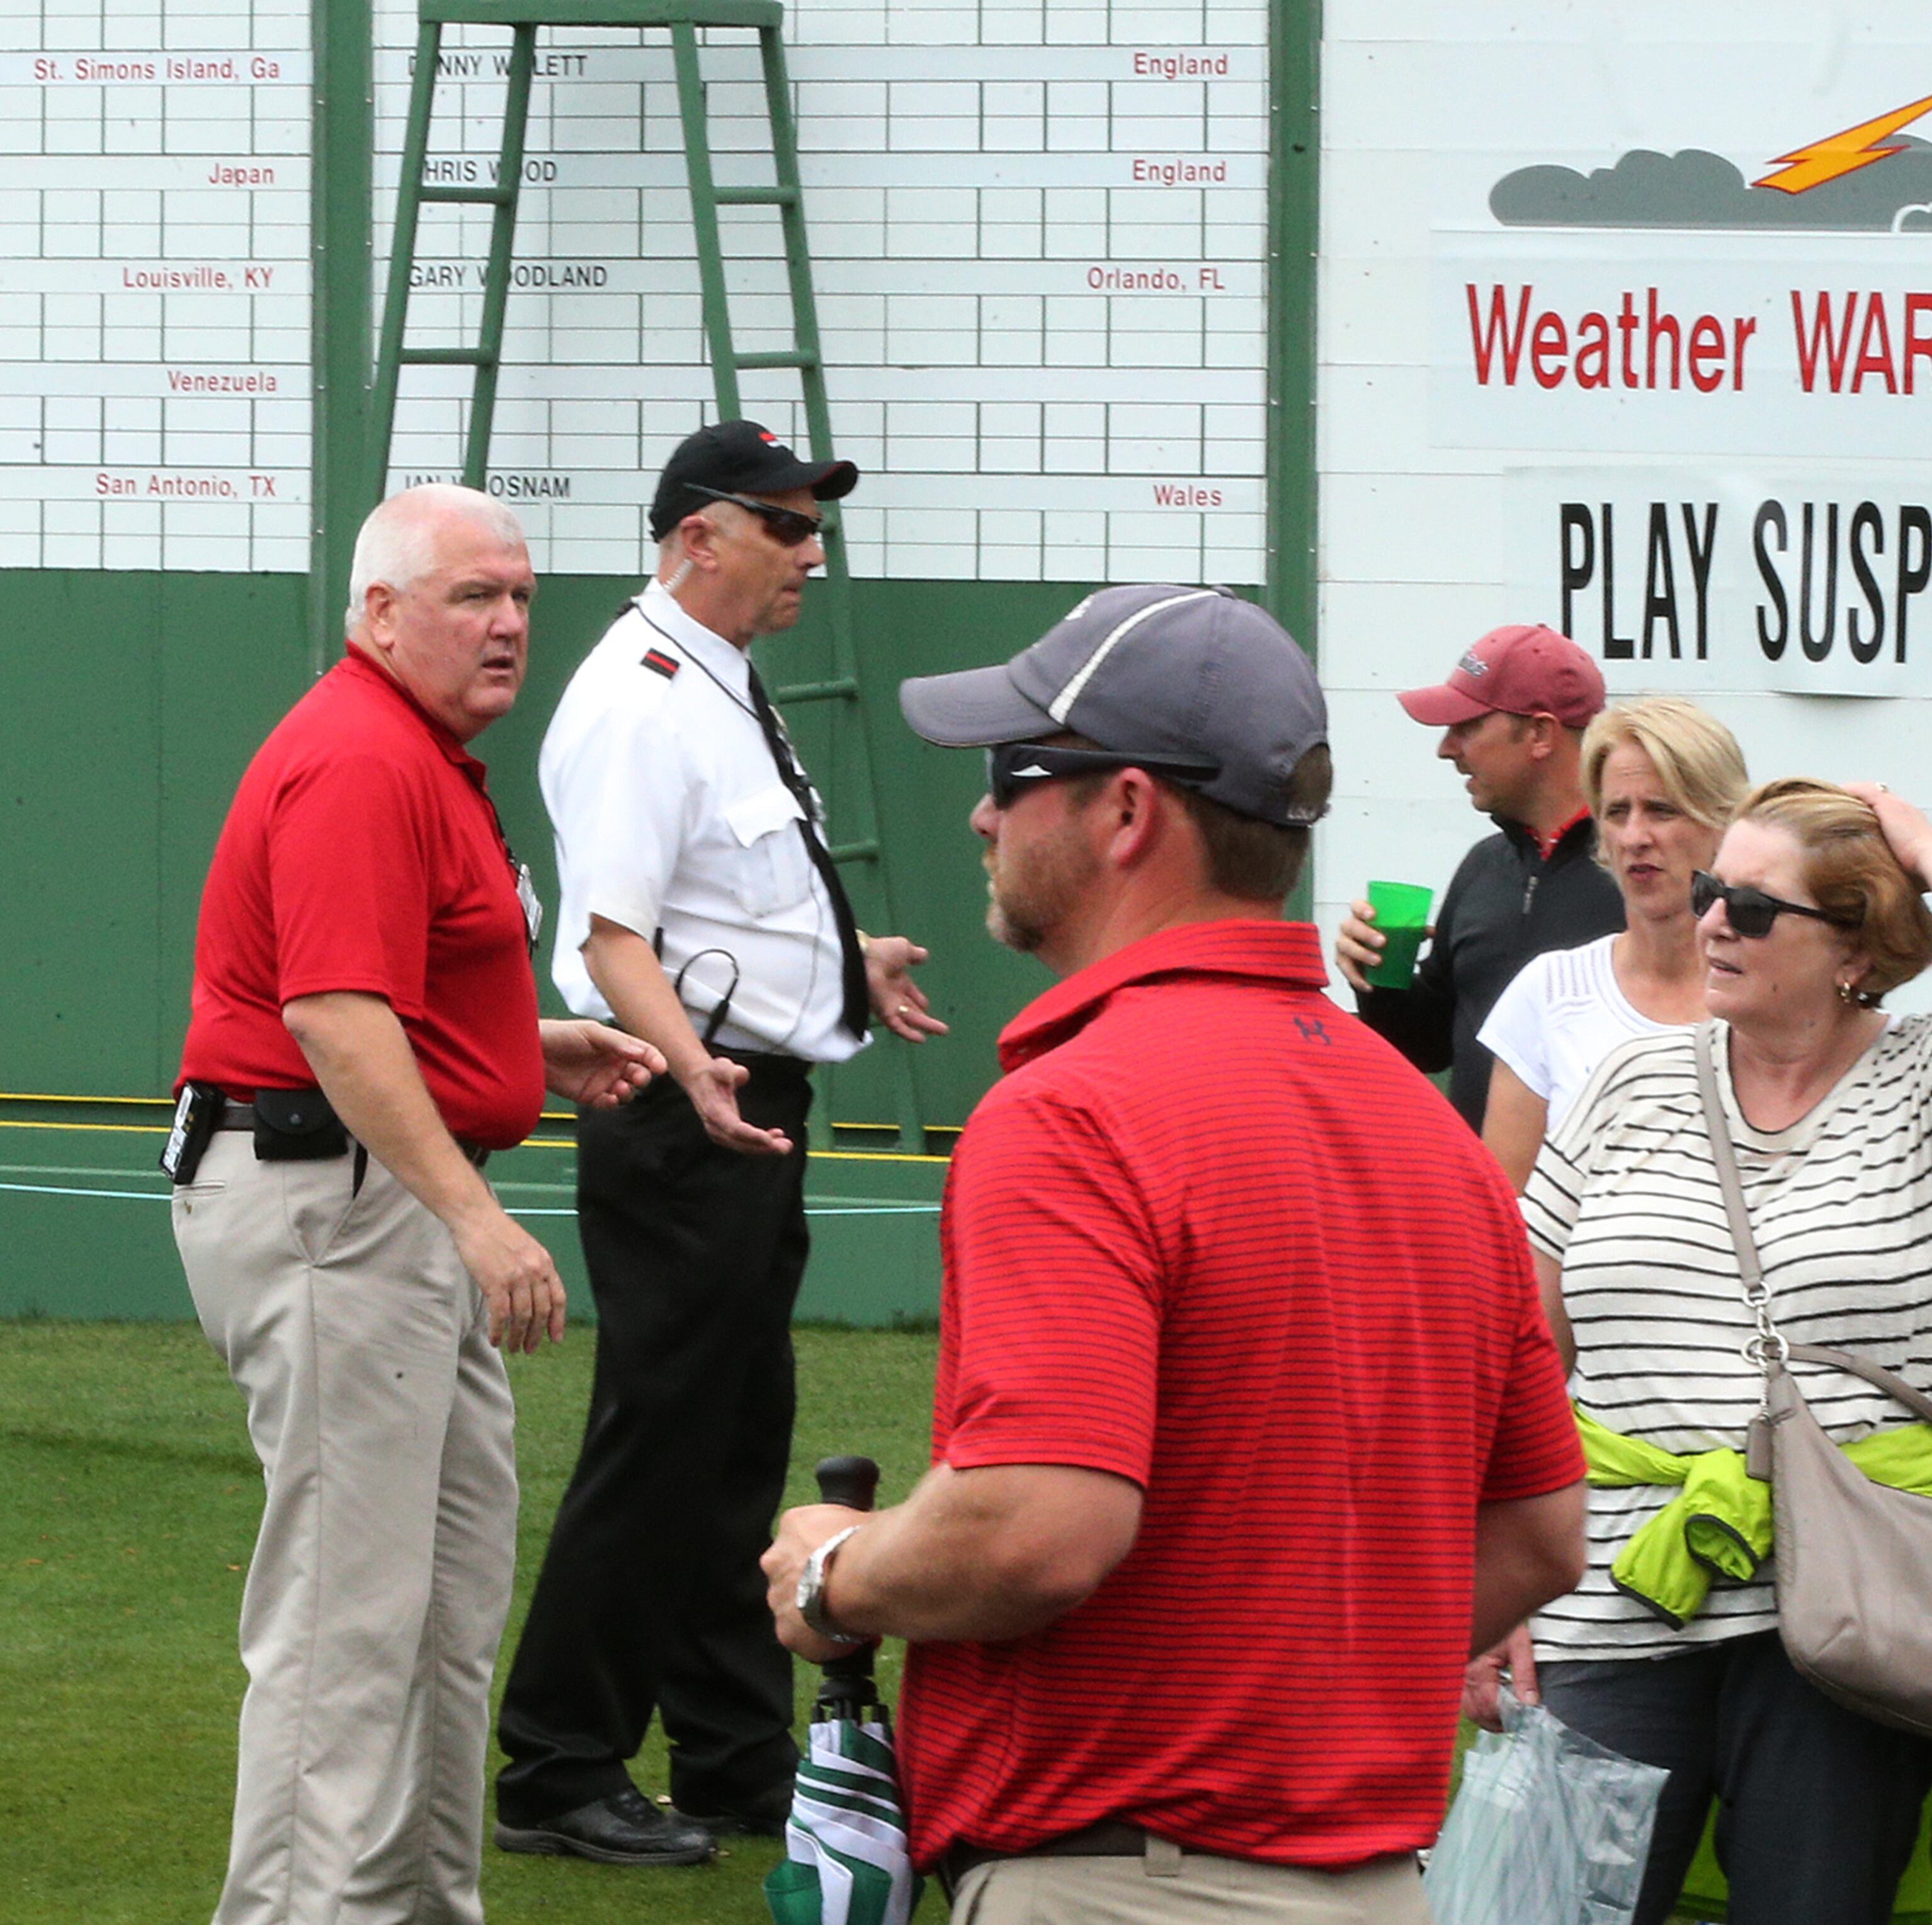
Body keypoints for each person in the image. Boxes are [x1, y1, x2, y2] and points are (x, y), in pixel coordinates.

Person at [758, 583, 1588, 1922]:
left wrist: (832, 1573)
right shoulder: (1433, 1136)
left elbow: (1040, 1526)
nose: (981, 811)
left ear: (1128, 810)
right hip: (1379, 1886)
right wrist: (1275, 1651)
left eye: (1012, 771)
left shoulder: (1074, 1108)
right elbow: (1542, 1530)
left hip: (1118, 1881)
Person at [168, 484, 666, 1925]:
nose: (509, 620)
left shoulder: (420, 751)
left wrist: (527, 1049)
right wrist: (476, 1213)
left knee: (440, 1613)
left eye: (517, 593)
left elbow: (391, 991)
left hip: (370, 1186)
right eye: (471, 596)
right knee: (347, 1628)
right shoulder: (360, 756)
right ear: (378, 613)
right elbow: (329, 1015)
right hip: (334, 1198)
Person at [1501, 776, 1932, 1925]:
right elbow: (1521, 1341)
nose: (1710, 919)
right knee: (1536, 1912)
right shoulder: (1627, 1081)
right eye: (1714, 891)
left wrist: (1920, 839)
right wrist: (1500, 1583)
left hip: (1844, 1627)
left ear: (1853, 942)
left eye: (1754, 908)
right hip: (1614, 1602)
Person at [492, 421, 945, 1866]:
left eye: (812, 523)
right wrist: (694, 1071)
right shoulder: (639, 695)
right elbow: (612, 935)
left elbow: (714, 898)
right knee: (663, 1433)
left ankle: (736, 1754)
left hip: (737, 1100)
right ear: (700, 535)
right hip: (689, 1110)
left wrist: (837, 956)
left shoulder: (707, 675)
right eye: (786, 523)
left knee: (733, 1432)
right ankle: (558, 1760)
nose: (812, 549)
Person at [1333, 624, 1626, 1127]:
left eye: (1466, 726)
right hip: (1484, 1197)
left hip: (1603, 1197)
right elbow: (1429, 1045)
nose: (1446, 749)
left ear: (1540, 734)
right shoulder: (1484, 865)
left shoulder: (1639, 876)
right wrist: (1378, 975)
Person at [1477, 696, 1748, 1189]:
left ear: (1722, 822)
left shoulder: (1766, 993)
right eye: (1617, 812)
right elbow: (1505, 1215)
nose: (1634, 836)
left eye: (1662, 810)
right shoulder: (1550, 990)